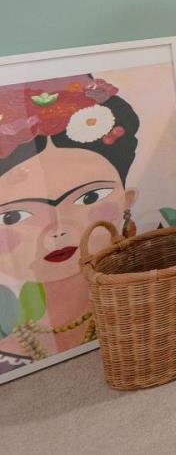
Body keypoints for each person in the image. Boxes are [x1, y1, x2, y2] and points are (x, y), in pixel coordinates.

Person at [0, 75, 139, 373]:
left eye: (90, 197)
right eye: (14, 216)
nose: (58, 228)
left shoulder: (156, 312)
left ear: (126, 201)